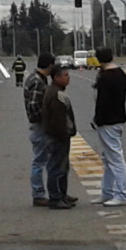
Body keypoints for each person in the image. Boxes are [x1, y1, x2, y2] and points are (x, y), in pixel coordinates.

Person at [92, 45, 126, 206]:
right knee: (108, 157)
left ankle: (122, 194)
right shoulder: (120, 74)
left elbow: (102, 102)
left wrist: (97, 119)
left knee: (115, 158)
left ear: (98, 59)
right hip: (118, 118)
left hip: (108, 121)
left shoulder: (105, 77)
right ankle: (107, 192)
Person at [41, 65, 78, 208]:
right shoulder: (56, 95)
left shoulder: (55, 91)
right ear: (56, 78)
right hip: (58, 137)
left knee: (62, 167)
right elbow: (58, 120)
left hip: (58, 136)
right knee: (56, 167)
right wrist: (64, 134)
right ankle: (56, 198)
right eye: (65, 75)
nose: (68, 78)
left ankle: (62, 194)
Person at [22, 52, 55, 207]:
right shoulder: (38, 81)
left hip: (39, 125)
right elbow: (34, 105)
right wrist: (46, 118)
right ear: (49, 65)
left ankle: (46, 192)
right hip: (39, 126)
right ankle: (38, 194)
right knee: (39, 161)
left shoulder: (37, 79)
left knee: (44, 160)